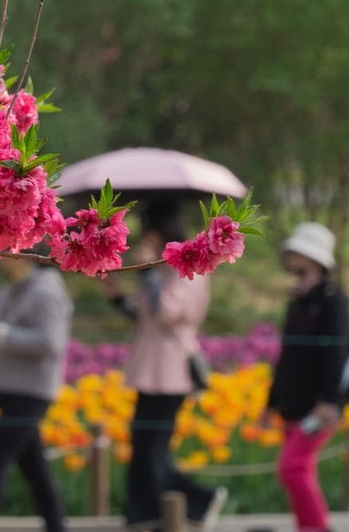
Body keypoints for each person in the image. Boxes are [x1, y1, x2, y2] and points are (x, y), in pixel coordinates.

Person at [106, 199, 227, 531]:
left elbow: (165, 312)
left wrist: (146, 270)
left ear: (157, 232)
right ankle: (145, 513)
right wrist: (117, 295)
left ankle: (195, 502)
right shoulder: (163, 267)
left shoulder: (190, 266)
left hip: (171, 369)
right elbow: (142, 312)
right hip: (152, 366)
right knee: (144, 445)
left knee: (153, 447)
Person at [0, 255, 71, 532]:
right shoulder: (9, 287)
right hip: (7, 387)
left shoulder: (47, 290)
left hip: (31, 391)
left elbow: (50, 341)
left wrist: (0, 333)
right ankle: (57, 526)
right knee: (34, 468)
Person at [263, 222, 349, 532]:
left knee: (293, 469)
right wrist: (271, 402)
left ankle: (317, 527)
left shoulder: (333, 299)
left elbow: (336, 353)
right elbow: (287, 355)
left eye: (298, 251)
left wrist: (330, 400)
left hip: (319, 404)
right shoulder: (298, 298)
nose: (291, 257)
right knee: (301, 470)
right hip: (293, 400)